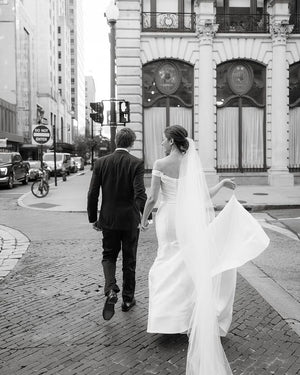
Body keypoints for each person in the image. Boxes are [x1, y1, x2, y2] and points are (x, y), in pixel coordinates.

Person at [141, 125, 269, 375]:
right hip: (187, 220)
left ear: (171, 142)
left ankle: (168, 318)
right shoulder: (190, 165)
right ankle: (186, 317)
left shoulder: (160, 163)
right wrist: (221, 184)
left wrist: (143, 219)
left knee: (165, 262)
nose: (161, 144)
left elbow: (153, 199)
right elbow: (201, 197)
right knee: (185, 264)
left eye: (163, 140)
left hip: (167, 219)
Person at [87, 127, 147, 321]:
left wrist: (93, 218)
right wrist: (146, 217)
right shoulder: (136, 163)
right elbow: (140, 194)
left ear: (115, 141)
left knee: (108, 255)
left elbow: (93, 193)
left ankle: (110, 288)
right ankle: (128, 300)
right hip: (130, 220)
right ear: (132, 143)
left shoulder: (101, 162)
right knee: (130, 260)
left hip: (109, 219)